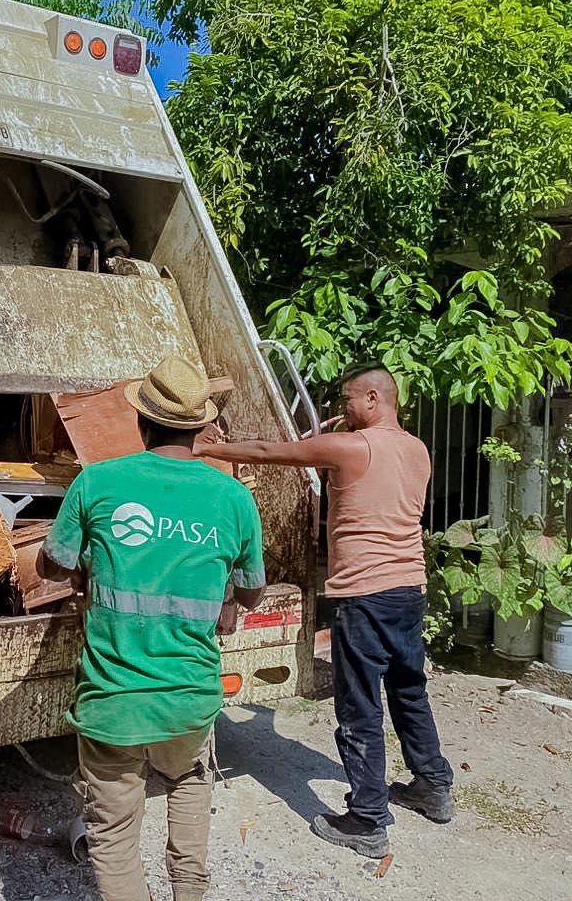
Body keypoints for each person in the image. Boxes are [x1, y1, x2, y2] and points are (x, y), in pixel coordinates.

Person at [195, 362, 453, 859]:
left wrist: (203, 448)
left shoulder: (350, 448)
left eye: (348, 399)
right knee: (408, 691)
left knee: (359, 706)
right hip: (408, 589)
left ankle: (367, 820)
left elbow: (270, 452)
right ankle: (433, 786)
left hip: (364, 594)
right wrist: (334, 433)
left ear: (374, 398)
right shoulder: (416, 449)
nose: (342, 408)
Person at [38, 355, 267, 901]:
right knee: (189, 782)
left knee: (114, 839)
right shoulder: (233, 498)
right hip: (189, 696)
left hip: (112, 700)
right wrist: (222, 589)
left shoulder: (98, 482)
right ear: (200, 428)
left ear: (141, 421)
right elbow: (252, 590)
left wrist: (89, 563)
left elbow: (51, 565)